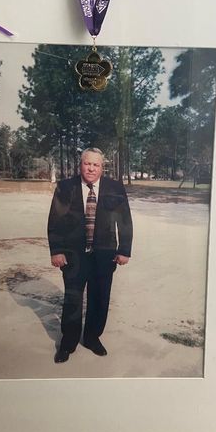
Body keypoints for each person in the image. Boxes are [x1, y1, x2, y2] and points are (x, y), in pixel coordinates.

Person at [47, 148, 133, 363]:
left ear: (102, 167)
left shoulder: (115, 187)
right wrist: (56, 251)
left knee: (100, 298)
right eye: (87, 164)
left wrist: (124, 250)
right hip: (73, 255)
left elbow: (124, 220)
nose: (91, 168)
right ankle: (68, 343)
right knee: (73, 299)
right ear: (81, 165)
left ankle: (93, 338)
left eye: (96, 165)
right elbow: (55, 221)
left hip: (104, 256)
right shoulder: (65, 187)